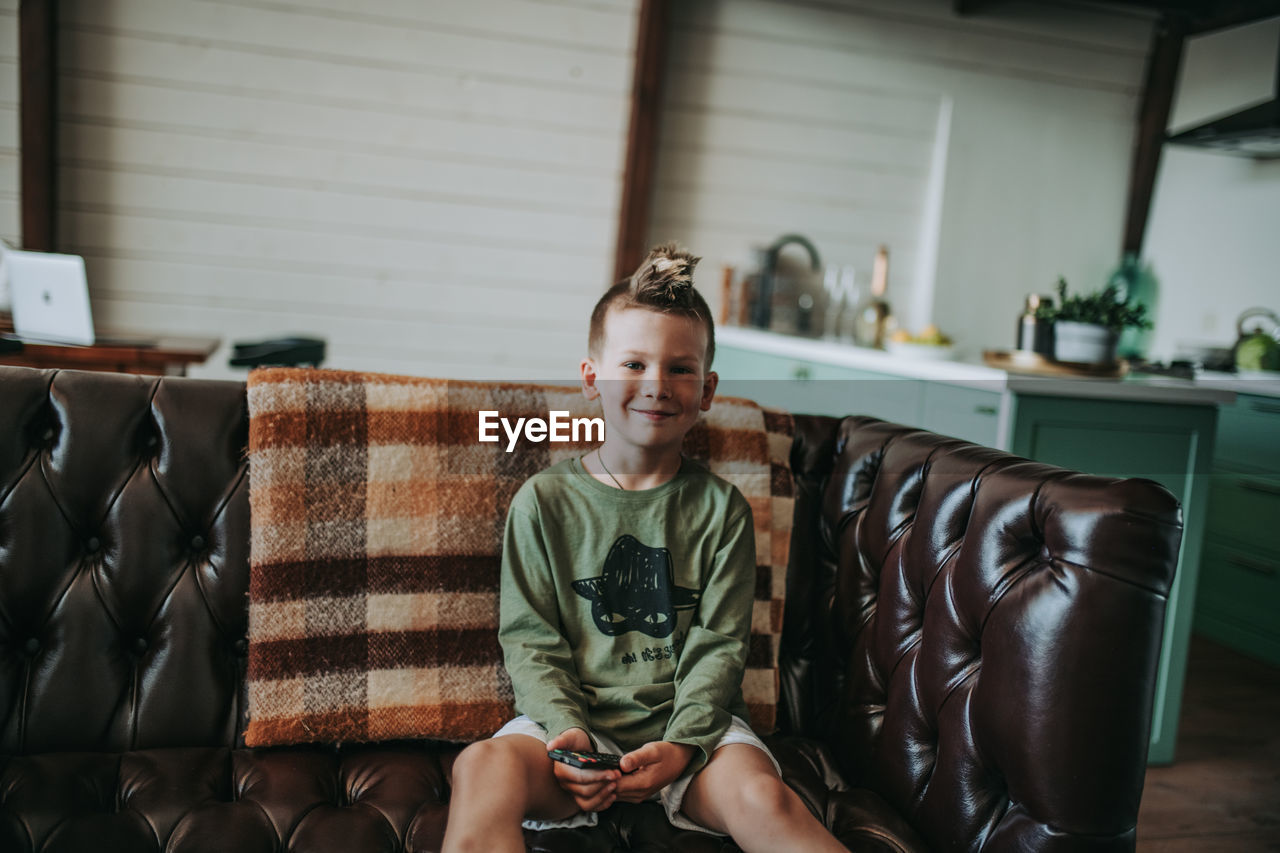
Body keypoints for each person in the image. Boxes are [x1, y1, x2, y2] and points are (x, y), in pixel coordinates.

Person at [442, 244, 848, 853]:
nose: (656, 385)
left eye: (680, 369)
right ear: (591, 379)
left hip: (695, 735)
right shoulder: (542, 502)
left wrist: (684, 744)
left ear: (707, 389)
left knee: (765, 797)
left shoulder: (722, 510)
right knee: (481, 765)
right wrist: (569, 733)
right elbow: (530, 640)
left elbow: (720, 645)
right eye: (633, 364)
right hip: (571, 733)